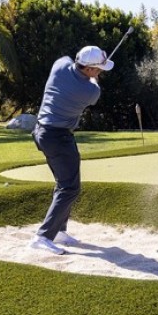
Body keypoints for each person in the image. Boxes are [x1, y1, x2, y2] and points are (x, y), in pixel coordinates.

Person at [29, 45, 114, 255]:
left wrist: (94, 68)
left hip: (42, 132)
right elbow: (94, 86)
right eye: (99, 69)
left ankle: (59, 231)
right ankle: (43, 236)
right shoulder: (90, 91)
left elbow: (67, 59)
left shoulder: (60, 66)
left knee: (64, 184)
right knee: (70, 188)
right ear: (89, 69)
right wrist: (94, 77)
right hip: (58, 137)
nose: (100, 72)